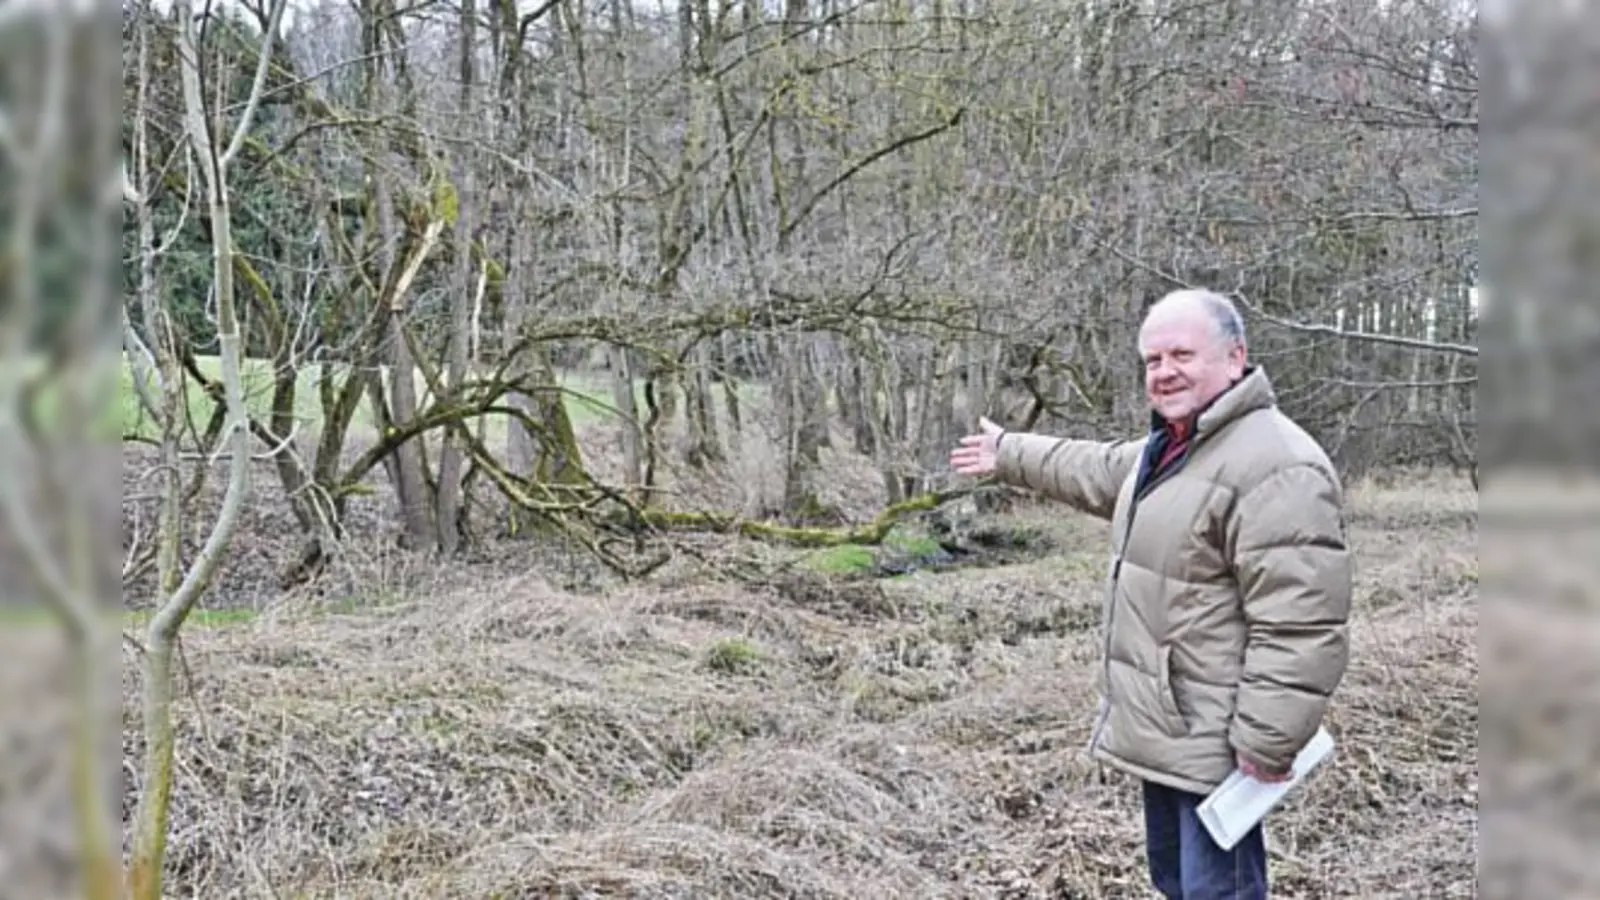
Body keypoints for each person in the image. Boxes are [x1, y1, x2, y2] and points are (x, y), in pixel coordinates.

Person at [949, 289, 1352, 899]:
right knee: (1176, 883)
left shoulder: (1278, 466)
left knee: (1218, 893)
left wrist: (1266, 740)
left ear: (1235, 357)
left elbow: (1301, 624)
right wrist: (1008, 452)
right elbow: (1093, 468)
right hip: (1169, 724)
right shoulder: (1174, 449)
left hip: (1222, 743)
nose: (1164, 373)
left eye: (1182, 355)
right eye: (1152, 360)